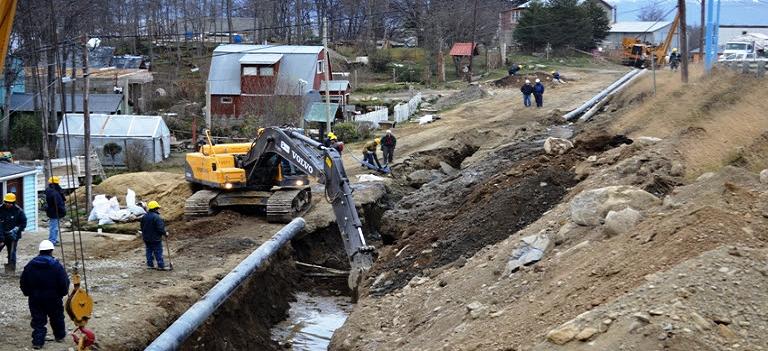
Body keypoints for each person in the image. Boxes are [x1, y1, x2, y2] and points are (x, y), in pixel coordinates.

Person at [20, 240, 69, 349]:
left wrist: (27, 293)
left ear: (40, 251)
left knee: (38, 320)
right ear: (51, 251)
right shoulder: (56, 265)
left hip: (35, 298)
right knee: (57, 317)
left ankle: (38, 342)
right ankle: (60, 336)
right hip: (53, 298)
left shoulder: (30, 265)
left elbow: (23, 281)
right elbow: (63, 282)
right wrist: (62, 293)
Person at [0, 193, 27, 274]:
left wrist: (17, 229)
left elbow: (23, 222)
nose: (8, 204)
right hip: (2, 234)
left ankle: (11, 269)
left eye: (10, 203)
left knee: (12, 252)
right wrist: (1, 238)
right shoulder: (0, 210)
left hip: (13, 236)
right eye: (6, 202)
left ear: (13, 202)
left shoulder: (18, 211)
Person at [140, 201, 167, 270]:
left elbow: (142, 227)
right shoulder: (157, 217)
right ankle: (160, 265)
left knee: (149, 251)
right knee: (158, 251)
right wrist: (165, 233)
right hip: (155, 239)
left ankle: (150, 265)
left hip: (146, 238)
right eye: (157, 208)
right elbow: (160, 228)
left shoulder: (144, 217)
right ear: (156, 208)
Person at [44, 177, 66, 246]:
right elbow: (58, 203)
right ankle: (52, 240)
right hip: (55, 212)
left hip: (51, 211)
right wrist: (62, 210)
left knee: (54, 226)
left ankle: (53, 239)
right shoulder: (55, 192)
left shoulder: (48, 190)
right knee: (54, 227)